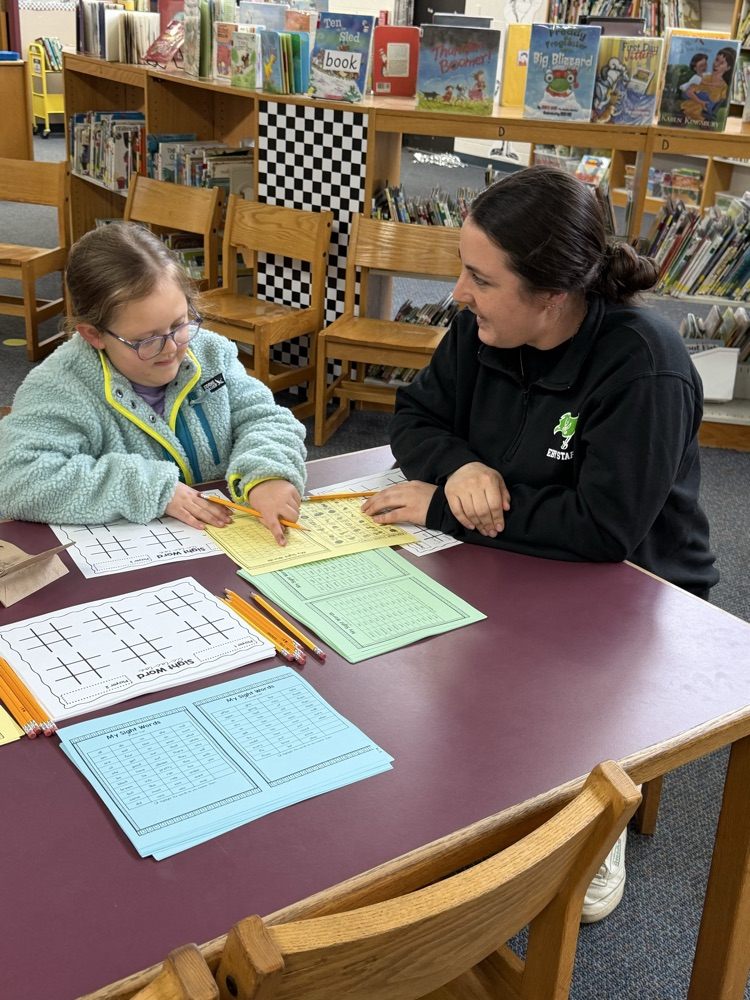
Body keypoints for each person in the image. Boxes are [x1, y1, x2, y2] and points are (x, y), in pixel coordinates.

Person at [361, 165, 719, 921]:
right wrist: (459, 467)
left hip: (635, 587)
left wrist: (447, 510)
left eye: (480, 279)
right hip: (516, 550)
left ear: (553, 294)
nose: (460, 293)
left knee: (541, 691)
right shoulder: (482, 327)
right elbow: (415, 421)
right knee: (402, 655)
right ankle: (508, 779)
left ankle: (595, 801)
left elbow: (602, 530)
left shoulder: (644, 366)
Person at [0, 222, 306, 543]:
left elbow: (264, 418)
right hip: (133, 557)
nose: (172, 349)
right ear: (93, 335)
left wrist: (268, 474)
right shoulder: (60, 386)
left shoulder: (211, 352)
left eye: (179, 324)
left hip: (225, 543)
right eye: (147, 340)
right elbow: (14, 476)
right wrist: (153, 489)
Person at [681, 47, 736, 123]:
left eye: (721, 63)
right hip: (688, 111)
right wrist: (701, 101)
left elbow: (718, 103)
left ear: (728, 68)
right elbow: (688, 91)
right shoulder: (703, 77)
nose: (716, 64)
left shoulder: (724, 87)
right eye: (716, 60)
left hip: (705, 116)